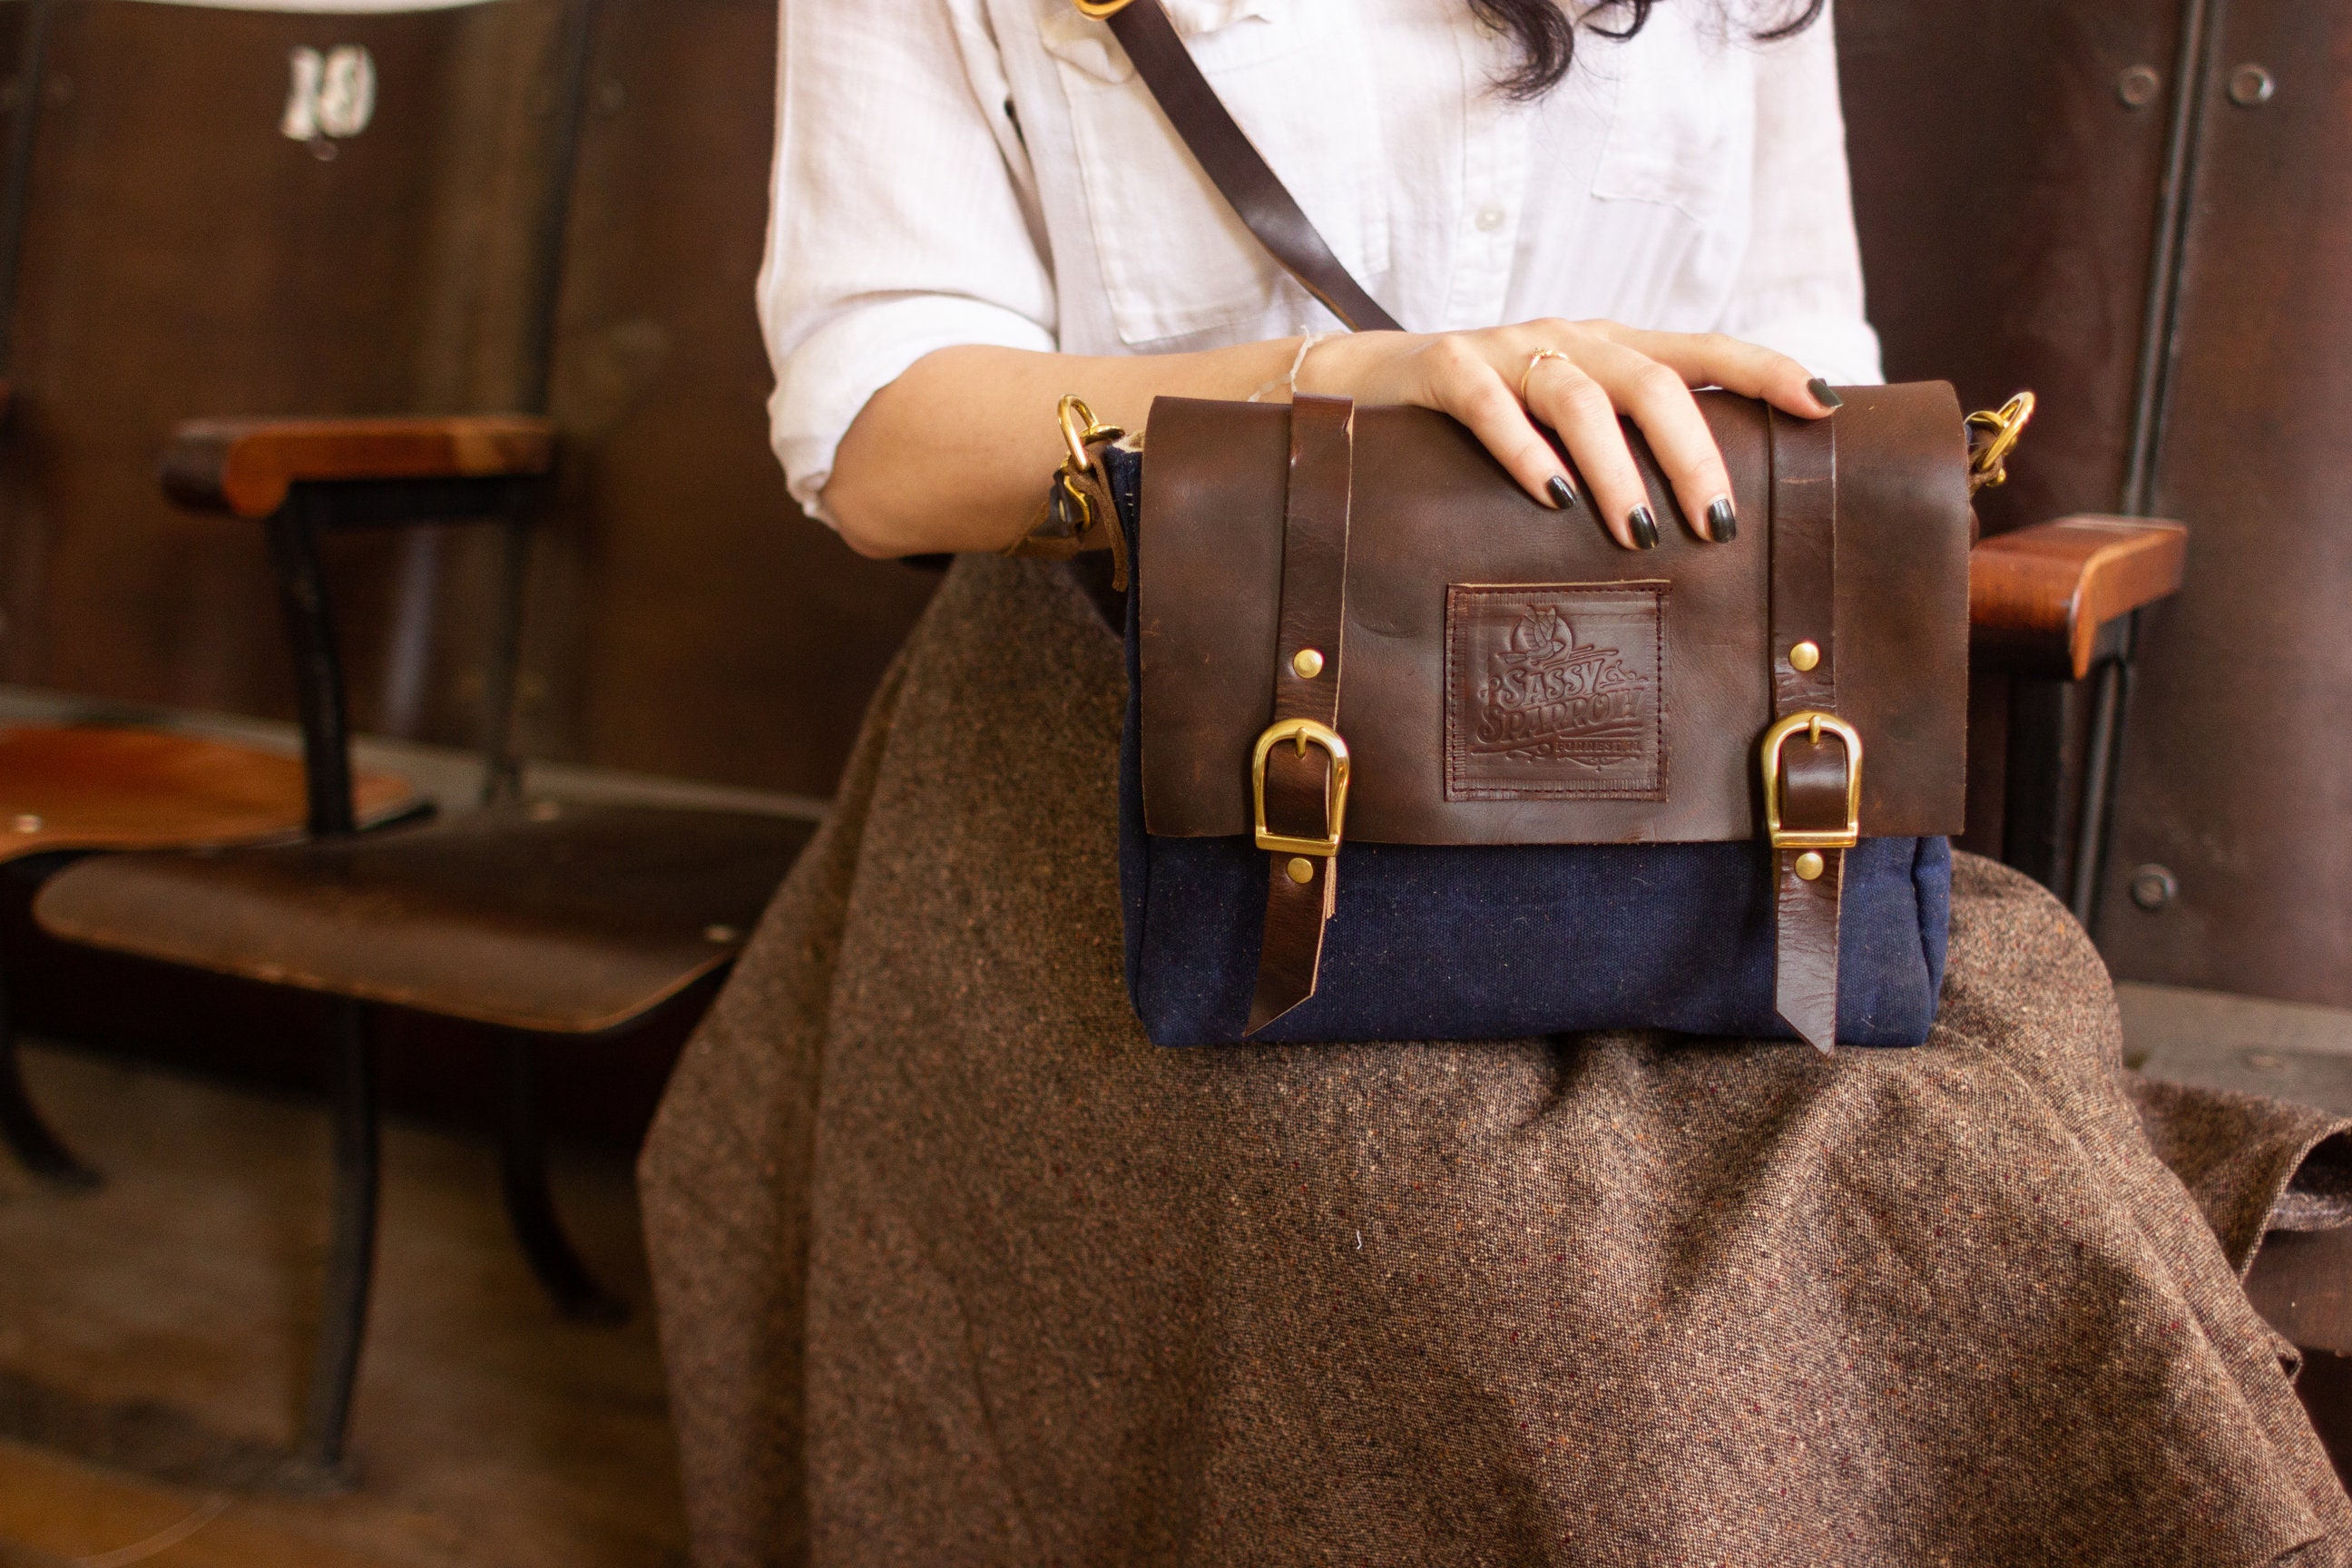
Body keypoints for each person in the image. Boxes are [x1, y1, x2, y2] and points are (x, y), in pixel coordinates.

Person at [642, 2, 2352, 1563]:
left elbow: (1803, 355)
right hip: (1155, 740)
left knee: (1966, 1118)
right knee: (1536, 1291)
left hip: (1677, 733)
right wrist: (1331, 388)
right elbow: (880, 441)